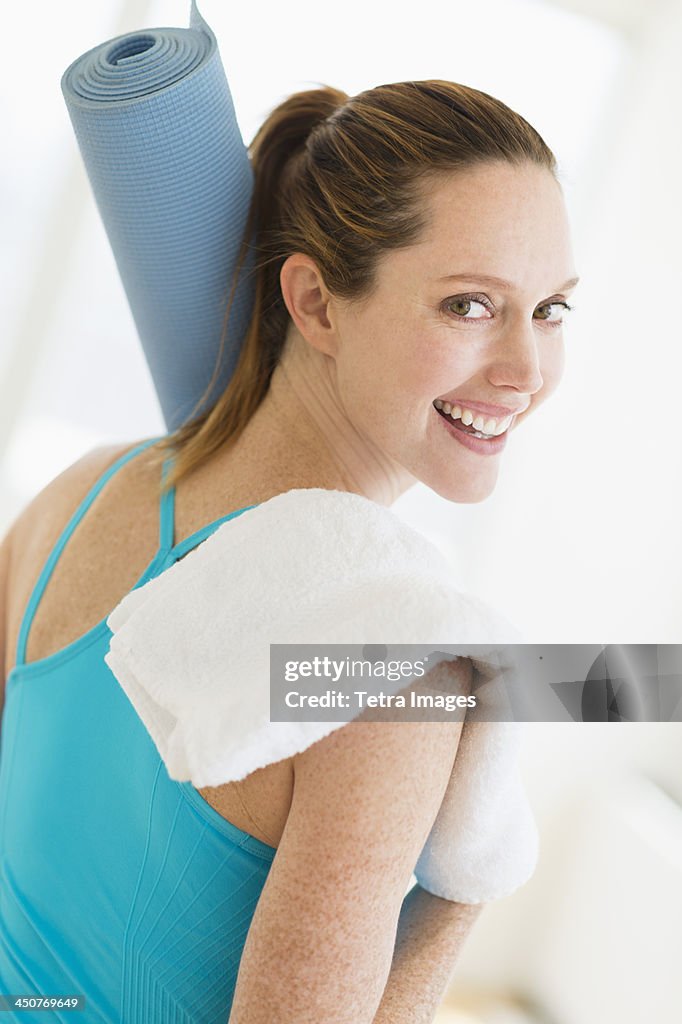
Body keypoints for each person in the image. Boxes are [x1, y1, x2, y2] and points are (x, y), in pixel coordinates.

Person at [0, 80, 578, 1022]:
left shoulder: (82, 491)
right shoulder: (392, 654)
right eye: (470, 305)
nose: (527, 372)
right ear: (313, 302)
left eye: (551, 308)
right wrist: (468, 885)